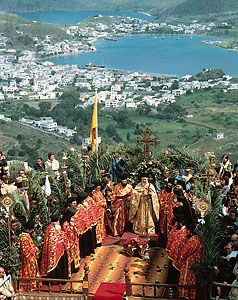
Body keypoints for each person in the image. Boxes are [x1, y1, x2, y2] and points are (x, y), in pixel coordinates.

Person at [40, 209, 71, 279]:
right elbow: (52, 242)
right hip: (55, 252)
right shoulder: (50, 230)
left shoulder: (56, 228)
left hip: (61, 250)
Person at [179, 227, 204, 300]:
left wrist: (181, 256)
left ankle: (184, 295)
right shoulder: (199, 240)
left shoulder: (193, 241)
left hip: (188, 264)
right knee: (192, 281)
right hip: (195, 264)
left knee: (186, 280)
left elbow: (184, 253)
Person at [19, 220, 39, 291]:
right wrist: (34, 249)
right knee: (28, 272)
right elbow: (26, 251)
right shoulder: (24, 237)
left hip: (31, 258)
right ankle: (28, 287)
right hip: (27, 259)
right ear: (29, 229)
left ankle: (33, 285)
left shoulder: (27, 236)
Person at [61, 207, 80, 273]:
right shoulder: (64, 224)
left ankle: (76, 266)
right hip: (70, 243)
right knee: (71, 257)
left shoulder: (70, 221)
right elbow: (66, 234)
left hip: (74, 241)